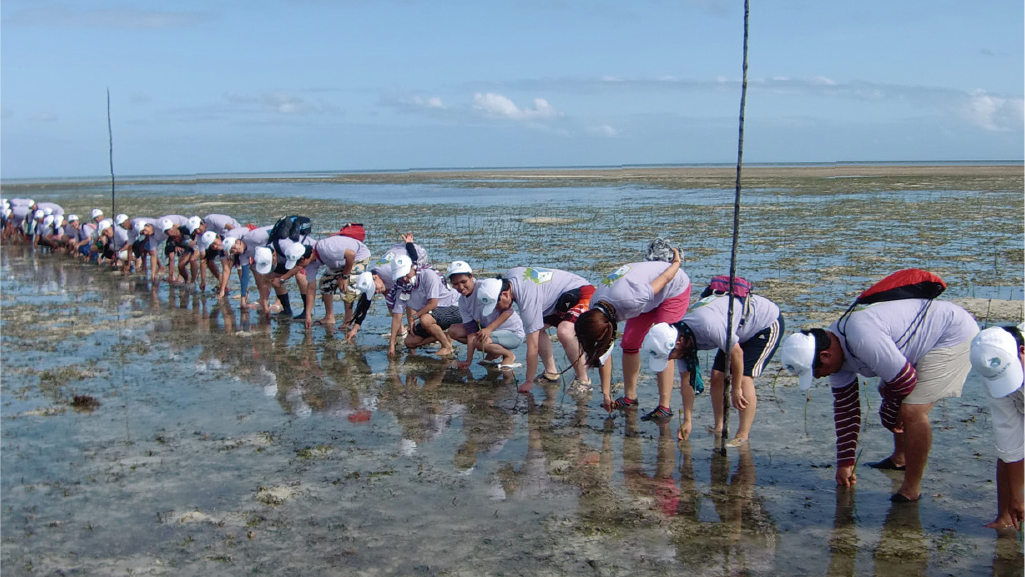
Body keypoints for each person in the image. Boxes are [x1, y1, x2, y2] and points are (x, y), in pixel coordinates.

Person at [779, 298, 978, 502]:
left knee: (911, 411)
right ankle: (899, 459)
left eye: (816, 371)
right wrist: (845, 463)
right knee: (888, 390)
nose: (818, 377)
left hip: (952, 334)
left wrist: (889, 414)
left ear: (826, 355)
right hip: (919, 340)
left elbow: (905, 380)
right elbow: (846, 409)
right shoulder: (834, 351)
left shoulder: (861, 337)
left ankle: (911, 489)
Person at [640, 282, 783, 443]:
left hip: (763, 324)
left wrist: (735, 390)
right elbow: (687, 381)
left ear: (678, 343)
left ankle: (743, 435)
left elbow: (737, 353)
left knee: (743, 378)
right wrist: (687, 420)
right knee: (717, 376)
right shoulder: (681, 337)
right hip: (734, 330)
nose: (671, 359)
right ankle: (719, 426)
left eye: (669, 356)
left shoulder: (707, 325)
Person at [574, 249, 689, 422]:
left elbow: (665, 278)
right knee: (629, 343)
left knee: (664, 345)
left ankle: (664, 406)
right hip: (645, 296)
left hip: (674, 287)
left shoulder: (629, 299)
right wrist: (606, 393)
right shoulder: (595, 309)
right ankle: (630, 397)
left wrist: (677, 263)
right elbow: (603, 351)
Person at [483, 265, 595, 394]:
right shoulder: (510, 277)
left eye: (496, 304)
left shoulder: (527, 300)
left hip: (583, 293)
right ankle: (551, 373)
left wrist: (528, 381)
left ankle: (583, 380)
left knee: (564, 332)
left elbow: (533, 347)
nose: (497, 309)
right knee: (539, 328)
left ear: (504, 294)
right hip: (560, 300)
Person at [969, 325, 1025, 530]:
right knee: (1007, 450)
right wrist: (1018, 497)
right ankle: (1006, 517)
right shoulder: (991, 373)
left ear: (1023, 351)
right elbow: (1009, 440)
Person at [447, 262, 525, 369]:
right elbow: (471, 332)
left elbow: (509, 311)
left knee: (479, 342)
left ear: (471, 276)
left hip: (512, 333)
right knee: (453, 330)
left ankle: (508, 355)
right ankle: (494, 351)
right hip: (490, 331)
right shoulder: (462, 301)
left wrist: (489, 329)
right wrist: (468, 361)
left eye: (463, 281)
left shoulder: (485, 287)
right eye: (455, 284)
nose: (460, 287)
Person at [294, 233, 371, 330]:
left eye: (299, 264)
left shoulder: (325, 248)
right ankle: (329, 317)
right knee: (325, 284)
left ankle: (347, 322)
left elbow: (351, 254)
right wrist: (308, 315)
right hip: (341, 262)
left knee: (346, 287)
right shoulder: (309, 264)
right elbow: (311, 288)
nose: (299, 267)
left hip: (358, 256)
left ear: (303, 258)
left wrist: (344, 276)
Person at [387, 254, 460, 357]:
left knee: (425, 319)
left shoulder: (428, 275)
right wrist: (391, 345)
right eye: (400, 276)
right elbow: (397, 317)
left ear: (412, 267)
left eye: (406, 274)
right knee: (410, 342)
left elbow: (433, 304)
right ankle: (445, 335)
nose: (404, 278)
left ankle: (446, 346)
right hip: (433, 314)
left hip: (451, 306)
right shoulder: (401, 288)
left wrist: (414, 317)